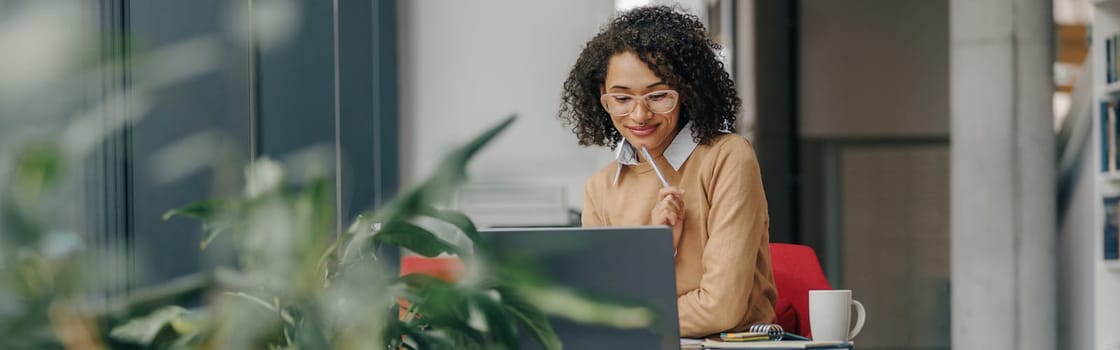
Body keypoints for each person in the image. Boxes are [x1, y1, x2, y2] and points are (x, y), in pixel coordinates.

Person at [558, 5, 777, 337]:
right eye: (621, 98)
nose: (639, 115)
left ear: (688, 92)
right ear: (602, 99)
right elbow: (602, 305)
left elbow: (721, 308)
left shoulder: (727, 158)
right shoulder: (600, 189)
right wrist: (660, 248)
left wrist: (623, 317)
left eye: (658, 96)